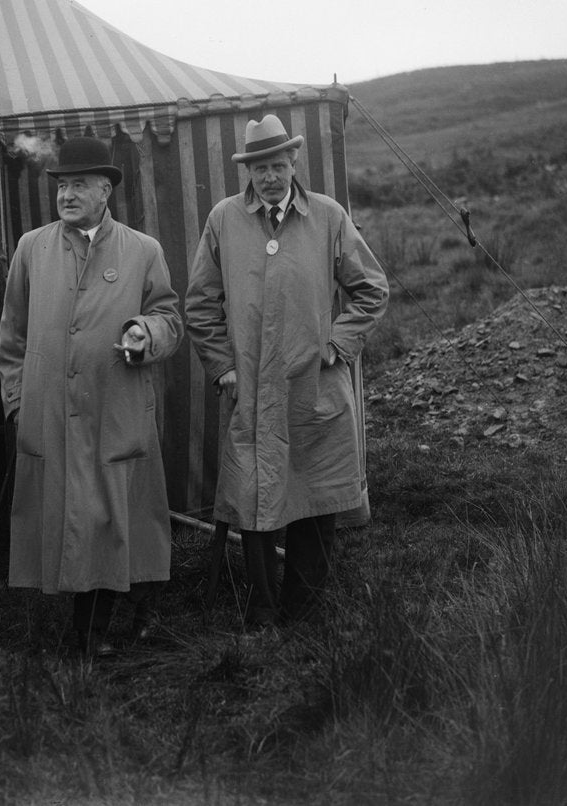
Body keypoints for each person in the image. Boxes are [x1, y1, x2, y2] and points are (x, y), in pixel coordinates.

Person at [185, 114, 389, 630]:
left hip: (312, 386)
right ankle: (262, 608)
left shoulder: (327, 216)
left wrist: (338, 343)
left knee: (315, 495)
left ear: (294, 163)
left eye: (277, 165)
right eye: (260, 169)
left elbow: (372, 289)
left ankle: (305, 609)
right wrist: (222, 366)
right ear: (247, 172)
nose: (270, 177)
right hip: (251, 388)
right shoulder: (224, 219)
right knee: (253, 495)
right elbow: (200, 303)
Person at [0, 137, 183, 657]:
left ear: (106, 191)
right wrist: (18, 402)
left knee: (124, 514)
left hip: (117, 407)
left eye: (79, 184)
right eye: (62, 185)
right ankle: (90, 630)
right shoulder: (32, 248)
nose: (67, 194)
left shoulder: (142, 250)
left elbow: (170, 319)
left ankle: (132, 614)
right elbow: (11, 335)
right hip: (52, 412)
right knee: (74, 514)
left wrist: (146, 332)